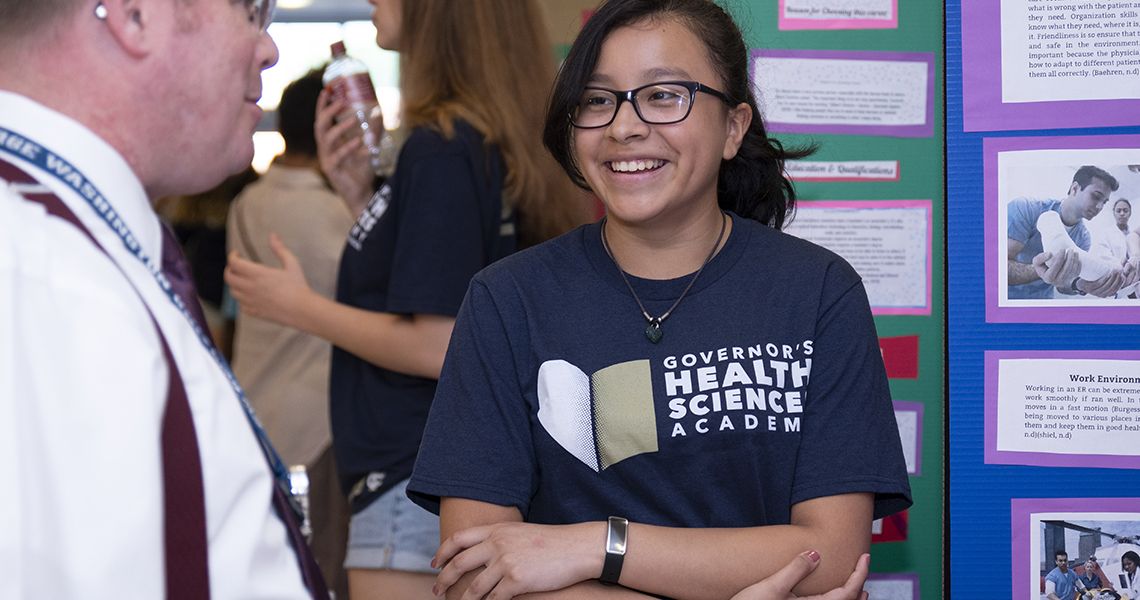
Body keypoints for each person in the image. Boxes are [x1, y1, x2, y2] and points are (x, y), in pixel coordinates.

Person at [406, 0, 912, 598]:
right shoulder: (506, 299)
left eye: (665, 95)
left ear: (733, 127)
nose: (624, 126)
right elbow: (475, 575)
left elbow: (829, 554)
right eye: (598, 99)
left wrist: (593, 545)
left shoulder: (817, 290)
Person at [224, 1, 591, 599]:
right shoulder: (471, 141)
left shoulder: (440, 148)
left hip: (411, 472)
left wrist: (299, 307)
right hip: (440, 467)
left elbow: (442, 344)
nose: (373, 1)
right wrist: (359, 196)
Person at [0, 0, 326, 598]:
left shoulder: (68, 248)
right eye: (251, 10)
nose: (269, 47)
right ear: (135, 15)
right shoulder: (43, 276)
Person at [227, 68, 355, 597]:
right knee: (322, 561)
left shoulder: (248, 201)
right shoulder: (333, 211)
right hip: (317, 414)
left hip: (254, 400)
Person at [1007, 165, 1123, 299]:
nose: (1100, 207)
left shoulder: (1084, 238)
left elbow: (1063, 285)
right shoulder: (1026, 208)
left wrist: (1080, 285)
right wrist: (1040, 270)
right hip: (1008, 301)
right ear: (1074, 188)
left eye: (1105, 202)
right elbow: (998, 268)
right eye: (1096, 197)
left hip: (1044, 302)